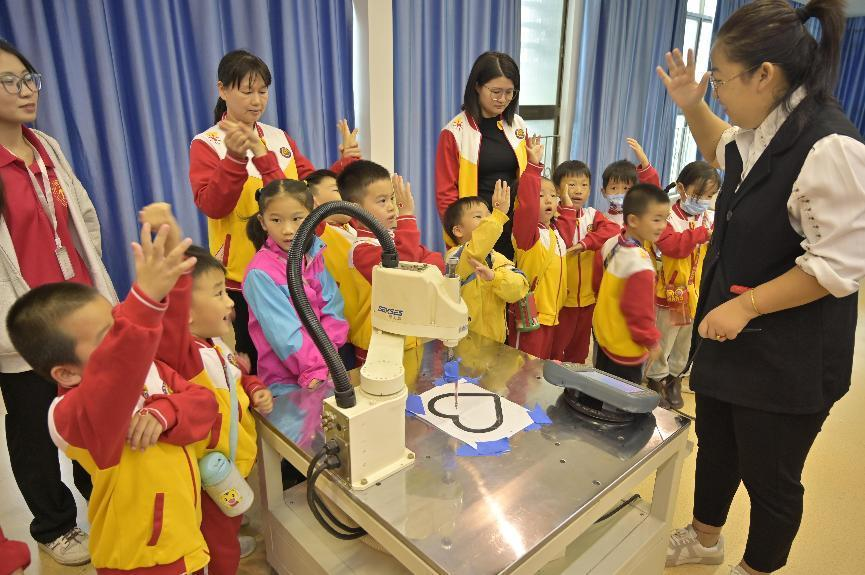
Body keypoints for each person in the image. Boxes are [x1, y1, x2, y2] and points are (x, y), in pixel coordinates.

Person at [656, 1, 865, 573]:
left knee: (771, 476)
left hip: (789, 355)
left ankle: (758, 567)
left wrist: (746, 306)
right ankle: (705, 539)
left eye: (720, 79)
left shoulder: (830, 147)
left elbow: (838, 265)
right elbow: (720, 147)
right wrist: (692, 103)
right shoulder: (765, 128)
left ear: (764, 75)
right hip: (732, 335)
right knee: (718, 446)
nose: (718, 91)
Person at [6, 223, 218, 574]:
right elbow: (113, 386)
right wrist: (144, 301)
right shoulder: (69, 414)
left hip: (187, 540)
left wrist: (166, 411)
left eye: (119, 323)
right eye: (110, 335)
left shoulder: (150, 370)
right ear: (67, 373)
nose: (124, 336)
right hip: (139, 561)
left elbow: (205, 404)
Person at [0, 40, 117, 566]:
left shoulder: (44, 146)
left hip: (77, 316)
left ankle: (107, 502)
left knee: (93, 415)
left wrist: (93, 292)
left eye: (29, 78)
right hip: (23, 326)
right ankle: (55, 525)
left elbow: (83, 219)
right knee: (33, 429)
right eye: (9, 81)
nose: (26, 91)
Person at [189, 49, 360, 373]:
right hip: (242, 280)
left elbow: (306, 192)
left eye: (262, 91)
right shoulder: (207, 143)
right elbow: (213, 206)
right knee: (262, 366)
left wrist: (343, 165)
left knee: (302, 355)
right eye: (247, 91)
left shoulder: (278, 138)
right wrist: (235, 159)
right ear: (222, 89)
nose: (257, 101)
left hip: (294, 269)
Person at [139, 203, 273, 574]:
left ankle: (227, 542)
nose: (230, 302)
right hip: (207, 475)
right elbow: (174, 298)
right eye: (218, 294)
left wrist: (253, 386)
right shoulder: (184, 357)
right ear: (185, 313)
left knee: (227, 528)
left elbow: (233, 379)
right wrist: (172, 243)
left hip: (229, 465)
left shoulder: (215, 345)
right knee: (218, 544)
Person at [243, 179, 349, 390]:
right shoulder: (260, 274)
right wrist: (316, 369)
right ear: (262, 222)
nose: (287, 230)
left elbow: (332, 307)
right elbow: (285, 335)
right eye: (276, 220)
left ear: (312, 217)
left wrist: (328, 358)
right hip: (286, 384)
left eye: (297, 218)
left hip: (325, 369)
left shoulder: (313, 255)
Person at [338, 160, 444, 367]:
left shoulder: (393, 237)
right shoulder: (361, 250)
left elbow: (435, 259)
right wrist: (407, 217)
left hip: (407, 336)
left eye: (392, 198)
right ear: (356, 209)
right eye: (382, 201)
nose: (391, 207)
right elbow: (402, 270)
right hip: (375, 345)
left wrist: (419, 266)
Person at [435, 51, 528, 259]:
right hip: (476, 231)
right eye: (495, 91)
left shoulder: (518, 126)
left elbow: (528, 176)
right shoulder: (454, 132)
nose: (502, 99)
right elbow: (445, 195)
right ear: (477, 86)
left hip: (514, 227)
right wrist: (459, 238)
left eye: (509, 92)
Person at [645, 161, 719, 408]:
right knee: (664, 338)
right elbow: (672, 246)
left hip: (696, 293)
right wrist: (702, 235)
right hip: (671, 292)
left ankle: (674, 378)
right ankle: (656, 378)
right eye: (699, 194)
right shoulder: (666, 217)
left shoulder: (709, 218)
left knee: (685, 341)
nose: (704, 201)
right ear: (681, 188)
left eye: (709, 195)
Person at [592, 184, 668, 383]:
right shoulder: (640, 264)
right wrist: (652, 342)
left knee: (599, 386)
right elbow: (639, 312)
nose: (663, 226)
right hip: (625, 346)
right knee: (621, 395)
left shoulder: (610, 243)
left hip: (603, 333)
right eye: (656, 219)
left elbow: (596, 282)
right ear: (633, 220)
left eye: (665, 219)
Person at [509, 137, 576, 359]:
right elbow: (527, 207)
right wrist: (533, 168)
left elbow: (567, 228)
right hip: (530, 316)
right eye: (540, 195)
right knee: (523, 370)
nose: (549, 200)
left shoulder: (555, 233)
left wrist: (566, 203)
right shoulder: (528, 235)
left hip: (552, 315)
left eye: (553, 195)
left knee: (542, 368)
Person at [549, 161, 620, 363]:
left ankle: (574, 382)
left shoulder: (592, 215)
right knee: (557, 348)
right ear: (558, 189)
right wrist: (568, 210)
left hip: (588, 298)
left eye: (584, 185)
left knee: (580, 350)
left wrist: (585, 244)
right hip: (563, 299)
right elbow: (563, 238)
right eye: (571, 185)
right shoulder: (553, 216)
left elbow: (613, 230)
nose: (578, 190)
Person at [443, 181, 529, 343]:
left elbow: (519, 289)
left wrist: (495, 278)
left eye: (489, 215)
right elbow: (475, 251)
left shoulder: (499, 259)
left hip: (496, 345)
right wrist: (498, 215)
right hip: (463, 345)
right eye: (478, 217)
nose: (487, 220)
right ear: (458, 230)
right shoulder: (455, 258)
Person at [307, 168, 358, 369]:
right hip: (338, 335)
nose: (345, 195)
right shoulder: (316, 233)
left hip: (361, 328)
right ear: (313, 201)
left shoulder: (355, 228)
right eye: (337, 189)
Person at [600, 138, 661, 227]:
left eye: (626, 188)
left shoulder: (641, 216)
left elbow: (654, 194)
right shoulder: (600, 219)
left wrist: (644, 161)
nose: (619, 193)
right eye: (614, 188)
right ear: (604, 192)